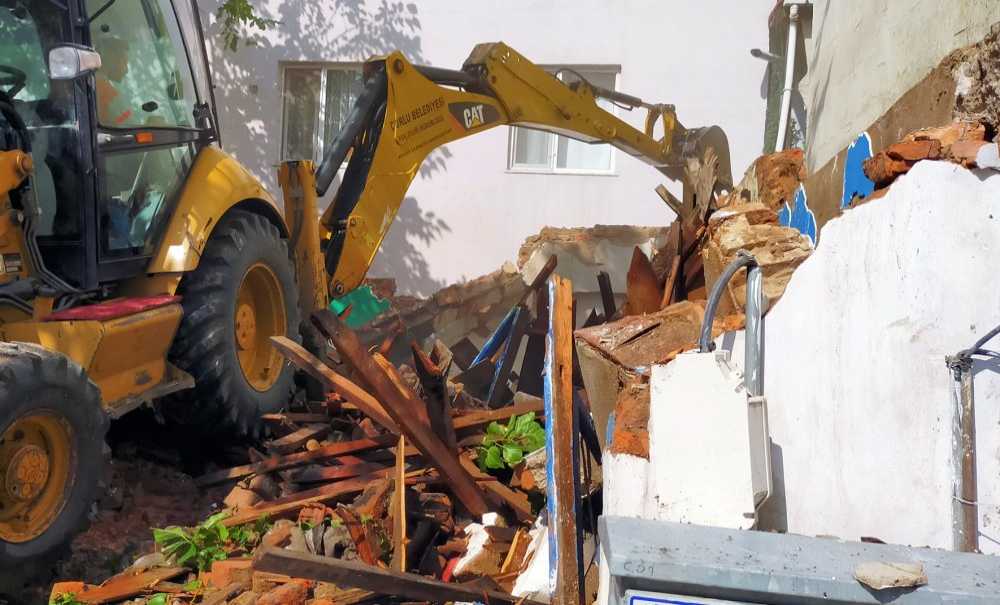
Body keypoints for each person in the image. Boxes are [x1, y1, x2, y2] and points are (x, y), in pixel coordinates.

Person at [93, 35, 134, 127]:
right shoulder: (109, 94)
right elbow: (128, 126)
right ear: (111, 58)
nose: (126, 70)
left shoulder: (85, 83)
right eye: (124, 62)